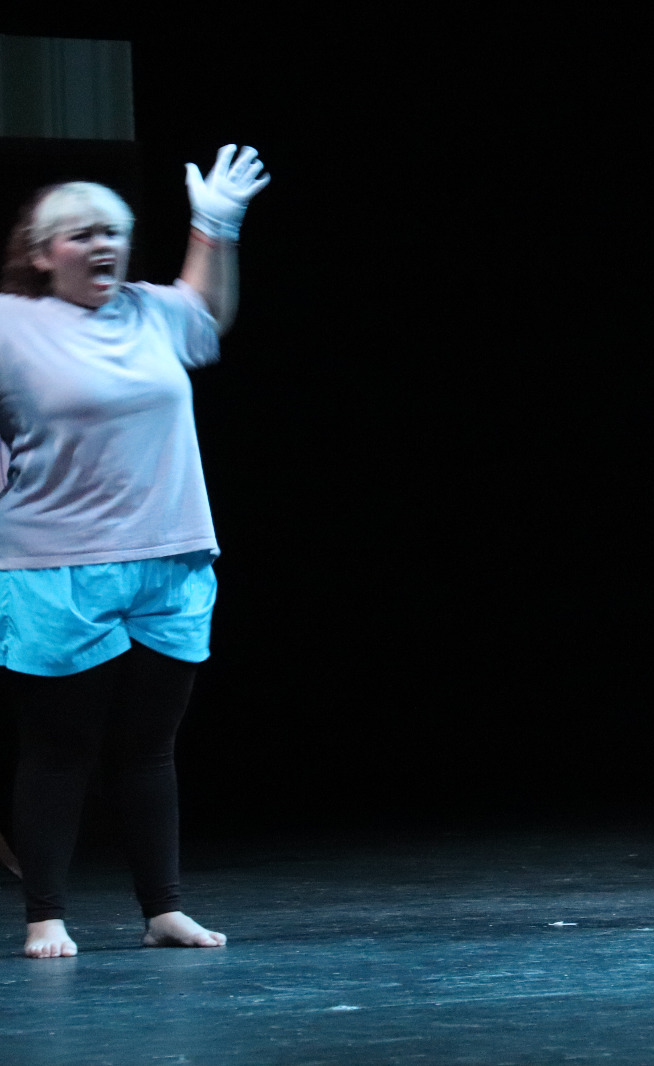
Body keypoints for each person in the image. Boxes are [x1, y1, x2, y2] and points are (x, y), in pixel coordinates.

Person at [0, 145, 270, 957]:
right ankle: (46, 915)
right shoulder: (10, 324)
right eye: (82, 235)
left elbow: (206, 312)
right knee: (61, 749)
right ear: (42, 253)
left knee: (151, 748)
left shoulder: (150, 311)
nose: (103, 246)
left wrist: (215, 227)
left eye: (113, 232)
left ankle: (164, 910)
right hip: (56, 565)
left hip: (170, 556)